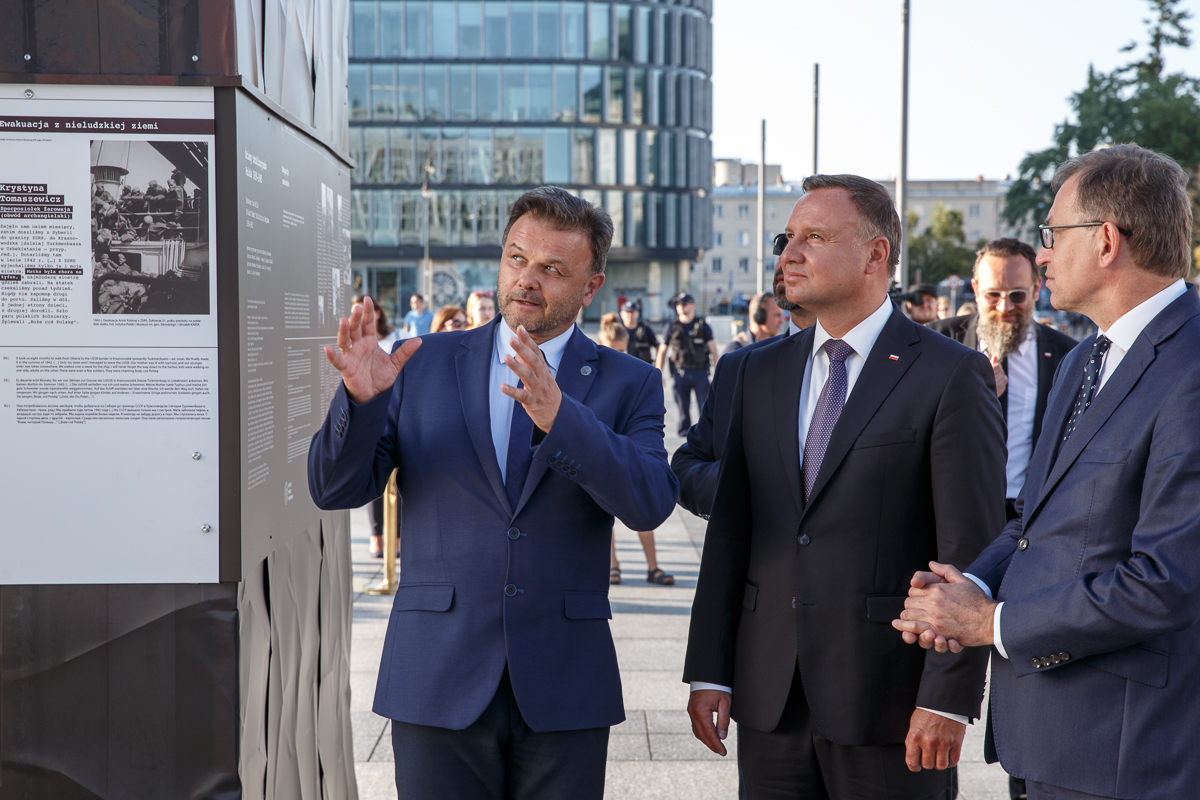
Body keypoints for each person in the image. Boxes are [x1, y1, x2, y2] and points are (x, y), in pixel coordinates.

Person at [307, 186, 677, 800]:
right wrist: (360, 403)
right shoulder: (419, 362)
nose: (527, 279)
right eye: (517, 258)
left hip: (565, 680)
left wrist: (563, 419)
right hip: (435, 673)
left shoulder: (630, 381)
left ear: (591, 287)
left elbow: (650, 501)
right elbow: (332, 488)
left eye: (553, 269)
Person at [684, 174, 1007, 799]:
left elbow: (970, 554)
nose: (788, 254)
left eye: (814, 237)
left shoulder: (948, 373)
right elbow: (730, 535)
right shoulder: (753, 372)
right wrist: (709, 670)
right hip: (769, 695)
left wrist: (947, 698)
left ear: (874, 254)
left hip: (890, 704)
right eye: (787, 238)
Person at [894, 144, 1200, 800]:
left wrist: (990, 623)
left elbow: (1165, 582)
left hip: (1125, 753)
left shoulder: (1191, 369)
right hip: (1048, 739)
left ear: (1106, 241)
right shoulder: (1087, 358)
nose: (1041, 255)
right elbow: (1034, 521)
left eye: (1053, 234)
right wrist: (963, 588)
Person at [930, 238, 1077, 522]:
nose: (1004, 307)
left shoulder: (1068, 355)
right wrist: (976, 396)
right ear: (976, 290)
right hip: (955, 511)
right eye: (993, 295)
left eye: (1017, 295)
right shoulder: (937, 342)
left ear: (1036, 289)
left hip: (1030, 515)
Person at [673, 260, 816, 519]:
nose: (787, 256)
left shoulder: (892, 362)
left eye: (814, 240)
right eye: (783, 242)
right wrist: (738, 481)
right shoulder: (736, 365)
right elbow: (686, 468)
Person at [596, 313, 675, 586]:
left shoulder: (635, 373)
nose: (620, 355)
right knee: (603, 513)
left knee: (642, 505)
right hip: (604, 449)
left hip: (629, 447)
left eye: (623, 349)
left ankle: (652, 566)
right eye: (613, 349)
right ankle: (612, 564)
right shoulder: (592, 374)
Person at [655, 293, 719, 437]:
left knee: (704, 407)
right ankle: (685, 437)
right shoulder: (672, 326)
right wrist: (658, 374)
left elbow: (714, 351)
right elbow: (662, 351)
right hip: (680, 372)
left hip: (700, 372)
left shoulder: (702, 325)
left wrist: (718, 375)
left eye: (684, 304)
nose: (681, 307)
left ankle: (705, 435)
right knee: (683, 409)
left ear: (692, 305)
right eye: (678, 304)